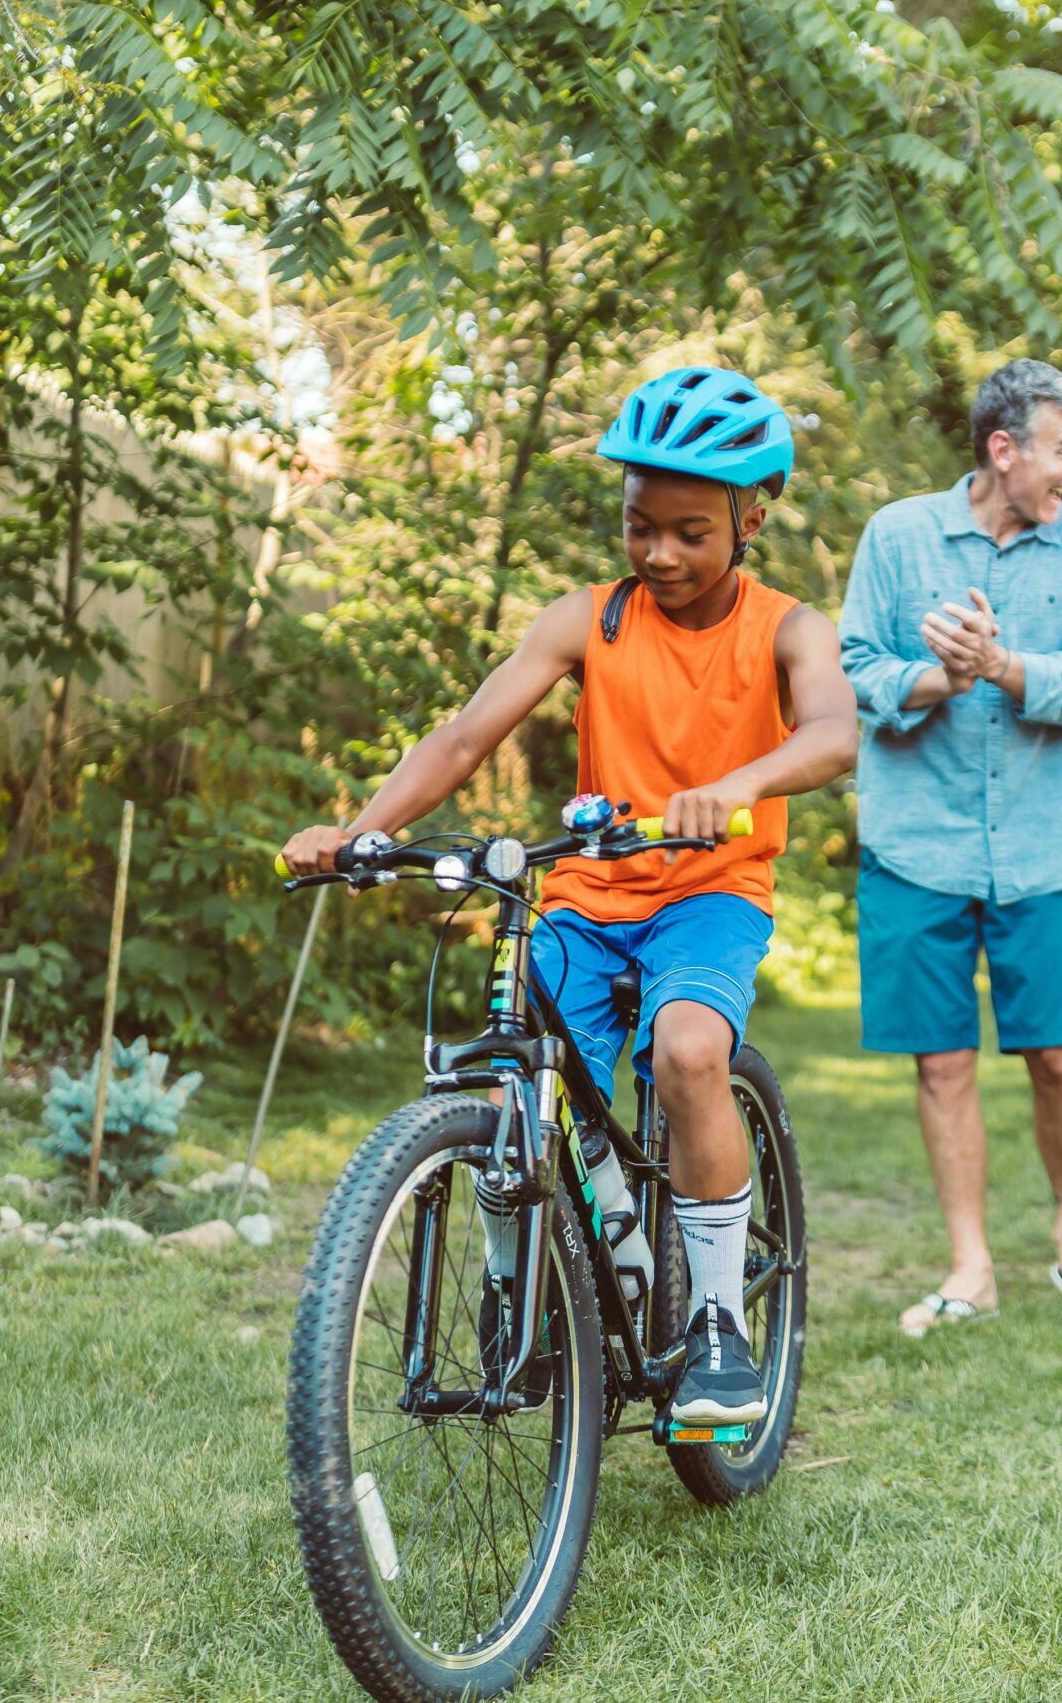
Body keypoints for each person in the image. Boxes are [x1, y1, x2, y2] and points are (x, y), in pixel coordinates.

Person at [282, 366, 859, 1422]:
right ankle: (524, 1297)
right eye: (640, 525)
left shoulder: (786, 629)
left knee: (690, 1052)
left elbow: (830, 733)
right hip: (589, 895)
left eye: (690, 530)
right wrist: (363, 834)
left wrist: (734, 787)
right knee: (517, 1085)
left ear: (751, 518)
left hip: (710, 890)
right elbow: (463, 737)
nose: (658, 553)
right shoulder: (585, 620)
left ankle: (718, 1323)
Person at [837, 359, 1062, 1337]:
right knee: (941, 1065)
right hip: (915, 846)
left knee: (1057, 1058)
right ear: (1003, 450)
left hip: (1045, 851)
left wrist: (999, 665)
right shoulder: (898, 536)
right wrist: (942, 677)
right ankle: (970, 1266)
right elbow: (857, 671)